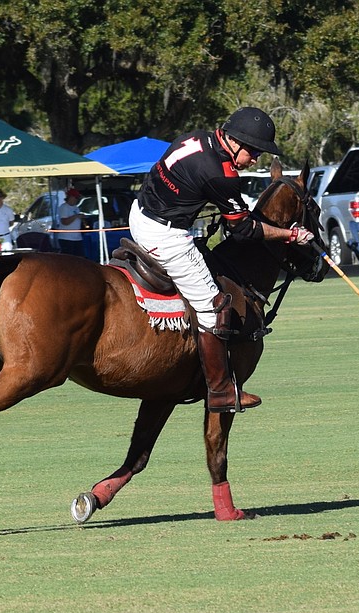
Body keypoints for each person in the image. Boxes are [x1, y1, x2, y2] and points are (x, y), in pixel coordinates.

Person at [131, 106, 314, 413]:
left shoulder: (195, 138)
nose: (254, 160)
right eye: (253, 152)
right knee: (214, 307)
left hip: (141, 213)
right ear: (235, 142)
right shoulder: (223, 174)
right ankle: (221, 391)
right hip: (165, 236)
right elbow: (243, 229)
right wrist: (290, 236)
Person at [56, 188, 85, 256]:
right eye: (76, 197)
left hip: (77, 238)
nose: (77, 199)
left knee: (79, 258)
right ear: (71, 197)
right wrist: (76, 216)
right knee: (69, 259)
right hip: (66, 238)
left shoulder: (76, 207)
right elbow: (64, 222)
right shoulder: (64, 207)